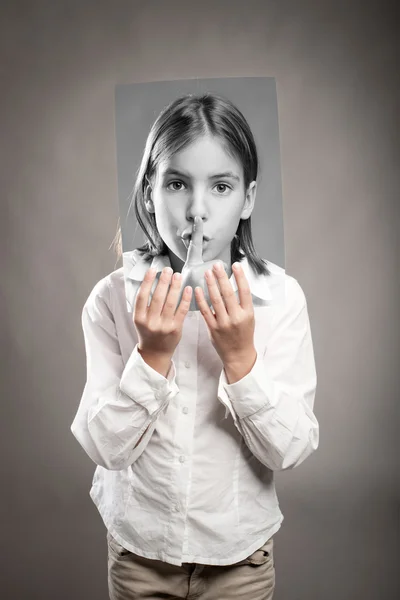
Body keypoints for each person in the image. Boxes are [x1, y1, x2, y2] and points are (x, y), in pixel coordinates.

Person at [71, 92, 319, 600]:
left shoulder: (280, 298)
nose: (198, 211)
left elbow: (290, 450)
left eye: (221, 186)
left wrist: (240, 359)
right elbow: (104, 449)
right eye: (178, 183)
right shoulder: (113, 298)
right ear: (148, 192)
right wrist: (152, 357)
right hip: (139, 552)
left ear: (248, 199)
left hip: (239, 559)